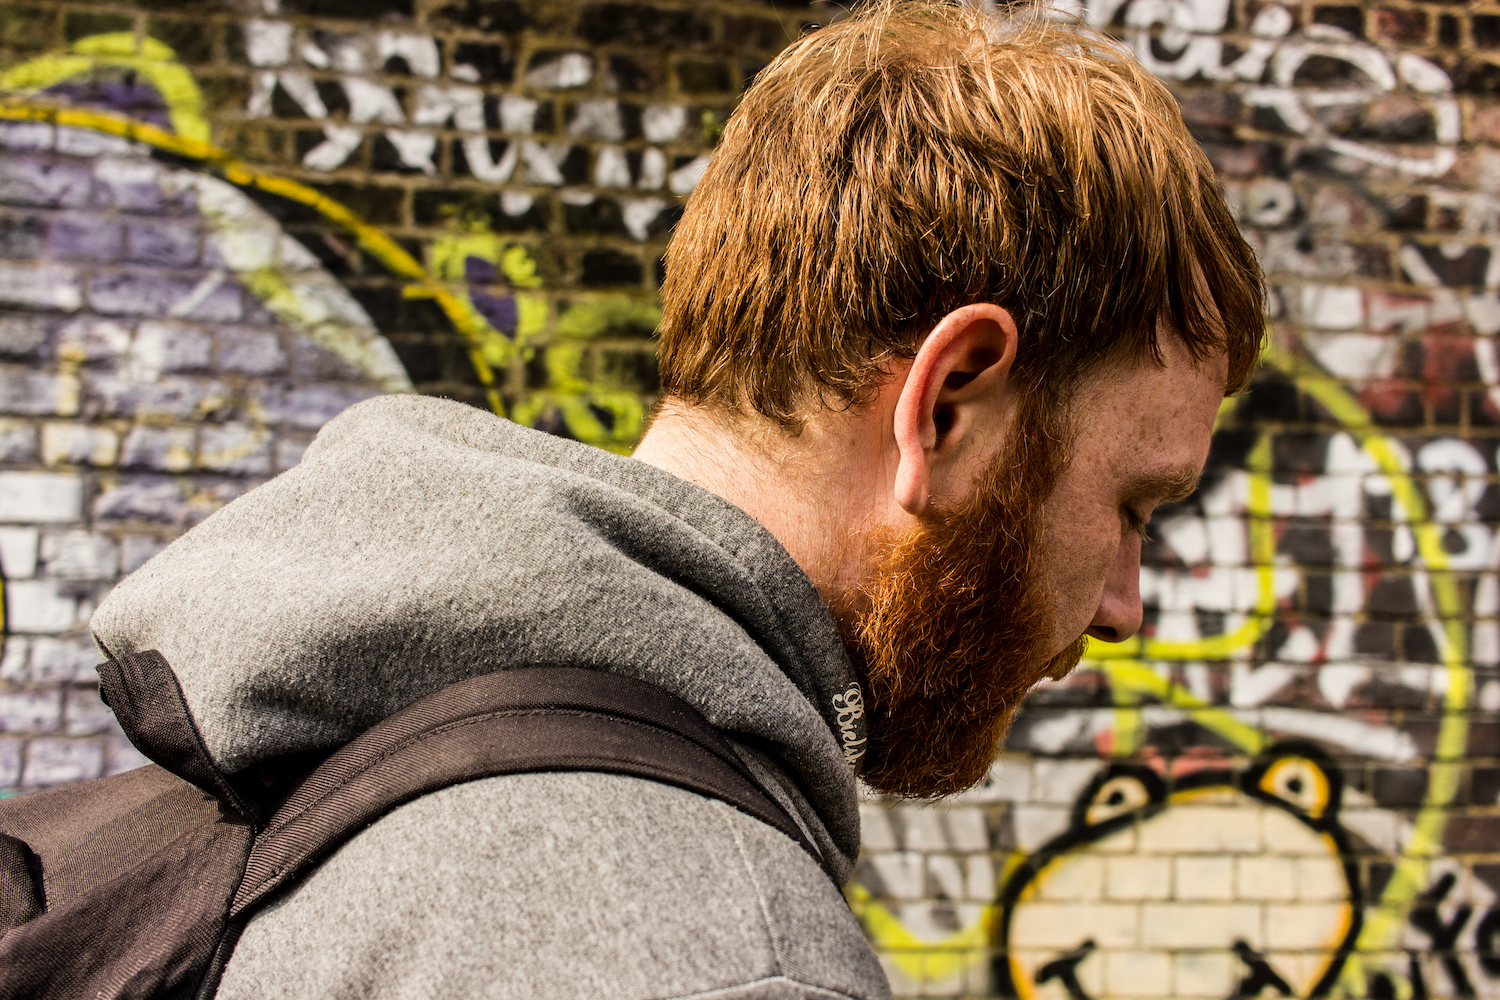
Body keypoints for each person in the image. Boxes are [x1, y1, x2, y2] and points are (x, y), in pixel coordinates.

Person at [87, 2, 1263, 997]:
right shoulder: (727, 952)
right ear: (946, 405)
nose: (1123, 607)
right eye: (1134, 508)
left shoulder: (334, 753)